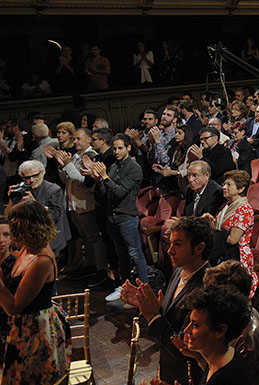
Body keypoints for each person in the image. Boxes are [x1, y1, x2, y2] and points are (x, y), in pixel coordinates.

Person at [123, 215, 212, 385]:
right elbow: (170, 320)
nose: (169, 250)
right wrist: (148, 304)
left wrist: (153, 317)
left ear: (199, 248)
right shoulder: (180, 270)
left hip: (187, 376)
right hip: (168, 369)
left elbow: (184, 347)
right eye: (170, 243)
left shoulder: (205, 287)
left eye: (177, 244)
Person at [0, 201, 69, 385]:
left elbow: (15, 307)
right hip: (22, 328)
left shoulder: (42, 260)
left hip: (35, 331)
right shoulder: (26, 248)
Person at [85, 133, 150, 301]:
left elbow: (120, 192)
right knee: (121, 254)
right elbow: (105, 193)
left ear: (128, 148)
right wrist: (98, 179)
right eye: (114, 148)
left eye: (120, 148)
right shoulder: (114, 166)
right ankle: (125, 286)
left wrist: (105, 177)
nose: (116, 151)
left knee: (135, 253)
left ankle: (144, 289)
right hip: (112, 217)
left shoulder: (134, 168)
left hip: (126, 216)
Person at [177, 285, 253, 385]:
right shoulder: (219, 359)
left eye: (195, 325)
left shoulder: (225, 378)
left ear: (220, 331)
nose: (187, 330)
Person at [210, 170, 258, 296]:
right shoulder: (227, 206)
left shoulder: (244, 209)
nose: (224, 187)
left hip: (237, 257)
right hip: (224, 252)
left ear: (241, 188)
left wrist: (215, 230)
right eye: (224, 184)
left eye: (228, 185)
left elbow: (233, 239)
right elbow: (219, 228)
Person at [15, 160, 68, 257]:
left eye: (35, 176)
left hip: (51, 238)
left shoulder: (54, 190)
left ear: (43, 173)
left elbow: (54, 216)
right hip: (31, 238)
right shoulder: (23, 189)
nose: (31, 180)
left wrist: (35, 204)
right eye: (27, 178)